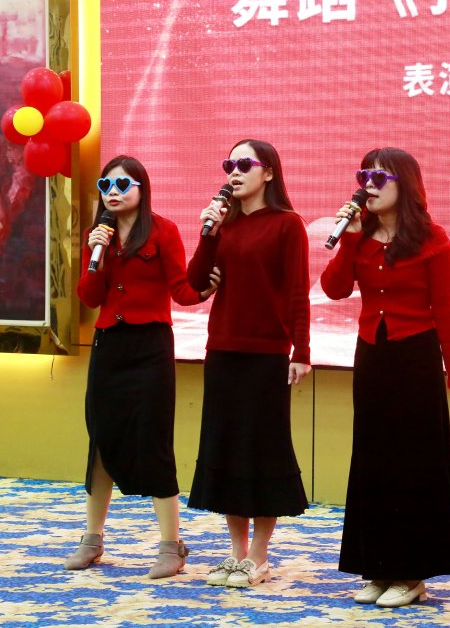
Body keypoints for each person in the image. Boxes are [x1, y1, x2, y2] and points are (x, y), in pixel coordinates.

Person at [320, 147, 450, 608]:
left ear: (405, 184)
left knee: (413, 464)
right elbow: (334, 289)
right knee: (373, 461)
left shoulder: (432, 239)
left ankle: (411, 574)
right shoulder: (360, 234)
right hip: (372, 355)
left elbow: (445, 312)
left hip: (415, 359)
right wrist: (350, 238)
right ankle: (376, 568)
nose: (367, 186)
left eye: (379, 178)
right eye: (364, 177)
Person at [66, 154, 218, 578]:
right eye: (105, 186)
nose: (112, 193)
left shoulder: (164, 230)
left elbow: (181, 290)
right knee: (102, 440)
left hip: (150, 347)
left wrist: (205, 291)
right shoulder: (98, 236)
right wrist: (95, 253)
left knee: (153, 442)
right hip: (108, 347)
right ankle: (92, 539)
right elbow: (89, 296)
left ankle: (171, 546)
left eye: (122, 185)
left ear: (141, 188)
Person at [186, 139, 311, 589]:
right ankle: (236, 553)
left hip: (266, 354)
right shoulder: (225, 224)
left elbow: (297, 291)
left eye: (244, 164)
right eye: (229, 165)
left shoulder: (287, 224)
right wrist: (208, 233)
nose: (234, 173)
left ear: (269, 172)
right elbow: (195, 281)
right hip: (222, 350)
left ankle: (259, 556)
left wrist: (302, 351)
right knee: (227, 450)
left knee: (261, 452)